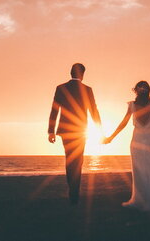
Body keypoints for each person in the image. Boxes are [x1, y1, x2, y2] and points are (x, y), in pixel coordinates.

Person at [103, 80, 150, 212]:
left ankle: (146, 199)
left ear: (137, 91)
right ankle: (145, 198)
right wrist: (111, 137)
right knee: (147, 169)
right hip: (145, 140)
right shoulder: (140, 105)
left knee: (147, 170)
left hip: (142, 140)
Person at [48, 63, 102, 205]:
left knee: (70, 159)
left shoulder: (61, 88)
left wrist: (51, 131)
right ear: (82, 74)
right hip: (80, 130)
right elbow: (94, 111)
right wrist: (100, 130)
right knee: (78, 160)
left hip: (65, 131)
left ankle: (72, 189)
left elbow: (54, 110)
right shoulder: (87, 90)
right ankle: (74, 190)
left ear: (70, 73)